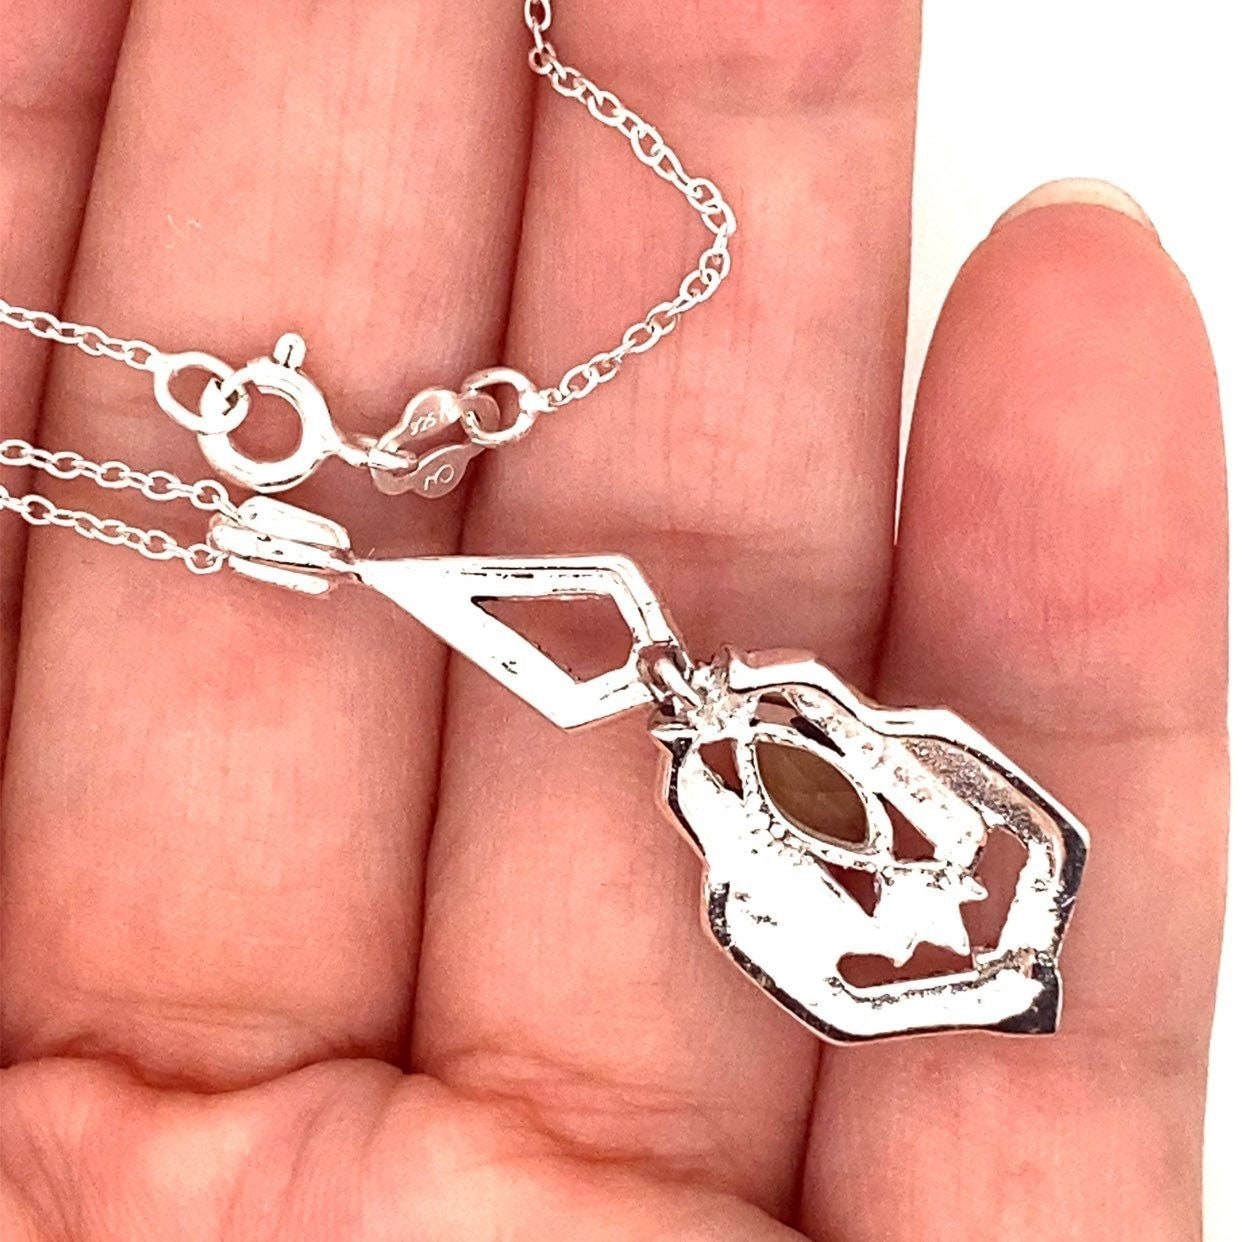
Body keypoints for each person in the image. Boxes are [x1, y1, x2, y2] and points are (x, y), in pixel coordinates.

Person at [0, 3, 1225, 1238]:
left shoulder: (752, 778)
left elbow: (881, 901)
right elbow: (881, 895)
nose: (940, 902)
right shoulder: (756, 771)